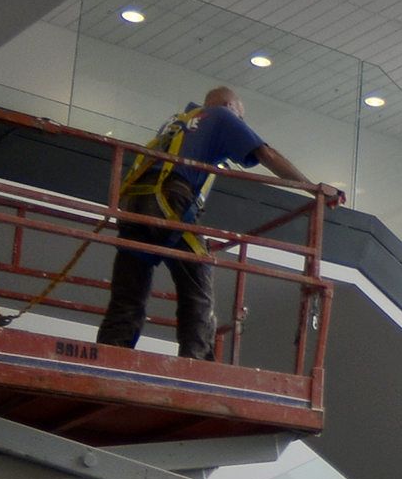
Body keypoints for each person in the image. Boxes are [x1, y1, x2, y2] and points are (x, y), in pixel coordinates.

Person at [96, 86, 338, 360]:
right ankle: (196, 363)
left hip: (134, 203)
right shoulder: (221, 116)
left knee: (128, 294)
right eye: (240, 116)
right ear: (229, 106)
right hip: (170, 200)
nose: (240, 123)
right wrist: (313, 189)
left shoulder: (177, 122)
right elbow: (267, 155)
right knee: (198, 286)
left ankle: (109, 355)